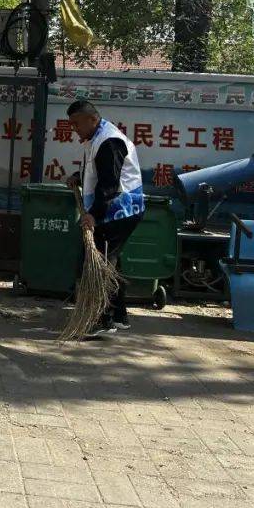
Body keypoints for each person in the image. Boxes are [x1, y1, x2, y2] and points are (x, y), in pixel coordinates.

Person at [65, 99, 145, 336]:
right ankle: (119, 316)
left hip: (120, 211)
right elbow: (96, 172)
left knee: (99, 264)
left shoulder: (109, 140)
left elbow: (110, 184)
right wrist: (77, 178)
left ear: (92, 118)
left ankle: (103, 320)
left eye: (76, 123)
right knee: (110, 261)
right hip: (115, 210)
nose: (74, 128)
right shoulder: (96, 137)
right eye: (71, 124)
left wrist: (93, 215)